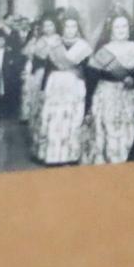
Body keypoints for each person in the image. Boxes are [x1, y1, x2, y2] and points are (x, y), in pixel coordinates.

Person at [81, 10, 134, 165]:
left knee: (131, 127)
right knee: (108, 128)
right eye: (117, 27)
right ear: (111, 30)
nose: (121, 30)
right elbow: (93, 77)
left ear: (129, 29)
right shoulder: (104, 51)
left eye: (124, 26)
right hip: (107, 94)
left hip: (130, 96)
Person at [33, 9, 91, 165]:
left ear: (77, 28)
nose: (70, 30)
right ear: (62, 28)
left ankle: (71, 155)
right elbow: (47, 67)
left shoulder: (83, 47)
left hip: (74, 85)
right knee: (55, 119)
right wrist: (43, 89)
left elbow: (87, 70)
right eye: (67, 27)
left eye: (73, 26)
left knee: (73, 119)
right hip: (56, 85)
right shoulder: (54, 44)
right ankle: (53, 156)